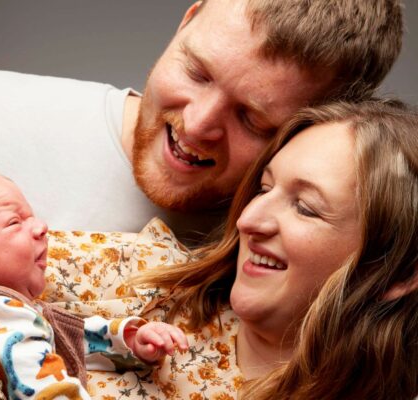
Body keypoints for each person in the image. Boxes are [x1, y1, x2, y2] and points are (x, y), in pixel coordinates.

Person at [0, 0, 405, 396]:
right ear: (189, 18)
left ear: (327, 119)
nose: (197, 125)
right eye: (197, 72)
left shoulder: (273, 276)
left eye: (253, 118)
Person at [130, 99, 418, 399]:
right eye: (264, 189)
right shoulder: (138, 277)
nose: (247, 219)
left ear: (397, 274)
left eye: (305, 208)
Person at [0, 166, 189, 400]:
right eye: (14, 222)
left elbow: (67, 340)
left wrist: (130, 340)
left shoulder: (9, 307)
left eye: (31, 216)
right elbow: (37, 381)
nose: (41, 227)